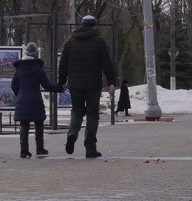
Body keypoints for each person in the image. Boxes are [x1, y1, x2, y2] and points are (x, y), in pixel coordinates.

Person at [58, 15, 117, 159]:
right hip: (93, 85)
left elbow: (63, 64)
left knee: (77, 112)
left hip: (75, 85)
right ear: (94, 26)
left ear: (82, 25)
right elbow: (107, 64)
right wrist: (112, 82)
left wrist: (61, 82)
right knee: (92, 115)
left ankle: (72, 134)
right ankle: (90, 148)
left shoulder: (70, 42)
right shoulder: (99, 42)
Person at [11, 42, 64, 158]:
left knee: (24, 125)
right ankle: (39, 148)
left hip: (22, 99)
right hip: (35, 99)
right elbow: (47, 86)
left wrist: (19, 94)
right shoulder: (38, 69)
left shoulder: (19, 69)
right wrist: (60, 88)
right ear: (36, 54)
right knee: (39, 123)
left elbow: (13, 85)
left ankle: (24, 151)